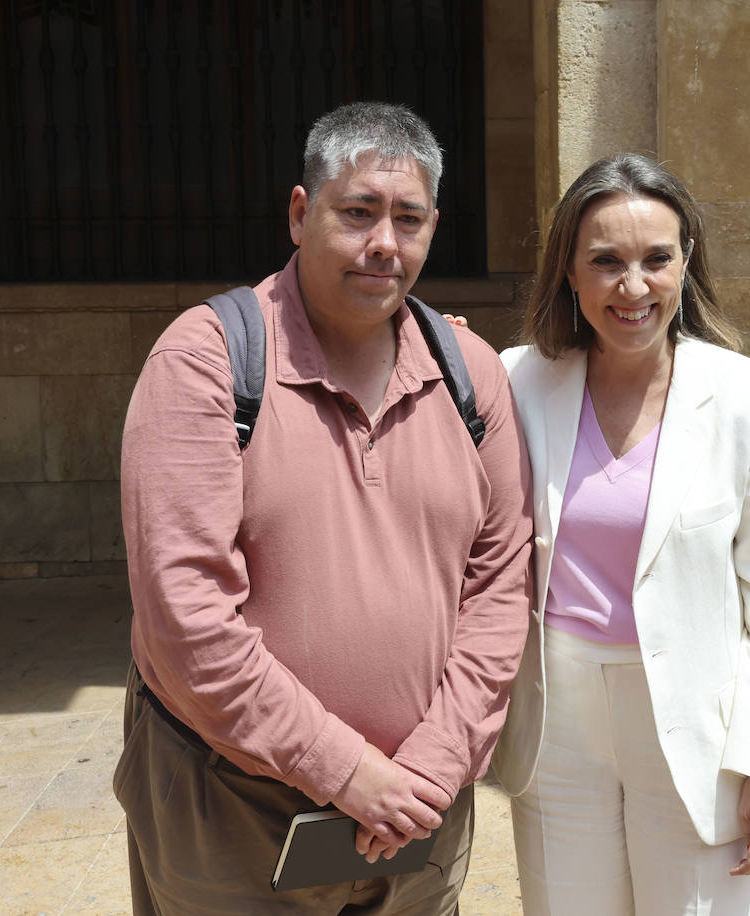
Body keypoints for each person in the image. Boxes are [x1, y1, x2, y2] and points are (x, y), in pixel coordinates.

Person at [113, 101, 533, 915]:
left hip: (420, 812)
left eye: (408, 219)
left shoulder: (469, 372)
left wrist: (434, 764)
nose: (385, 242)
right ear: (301, 214)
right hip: (233, 807)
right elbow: (185, 613)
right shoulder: (207, 362)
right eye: (358, 212)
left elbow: (500, 586)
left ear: (434, 227)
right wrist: (345, 771)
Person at [490, 153, 750, 915]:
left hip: (700, 728)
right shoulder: (514, 380)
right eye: (605, 261)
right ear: (569, 271)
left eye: (655, 259)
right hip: (557, 721)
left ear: (686, 262)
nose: (632, 287)